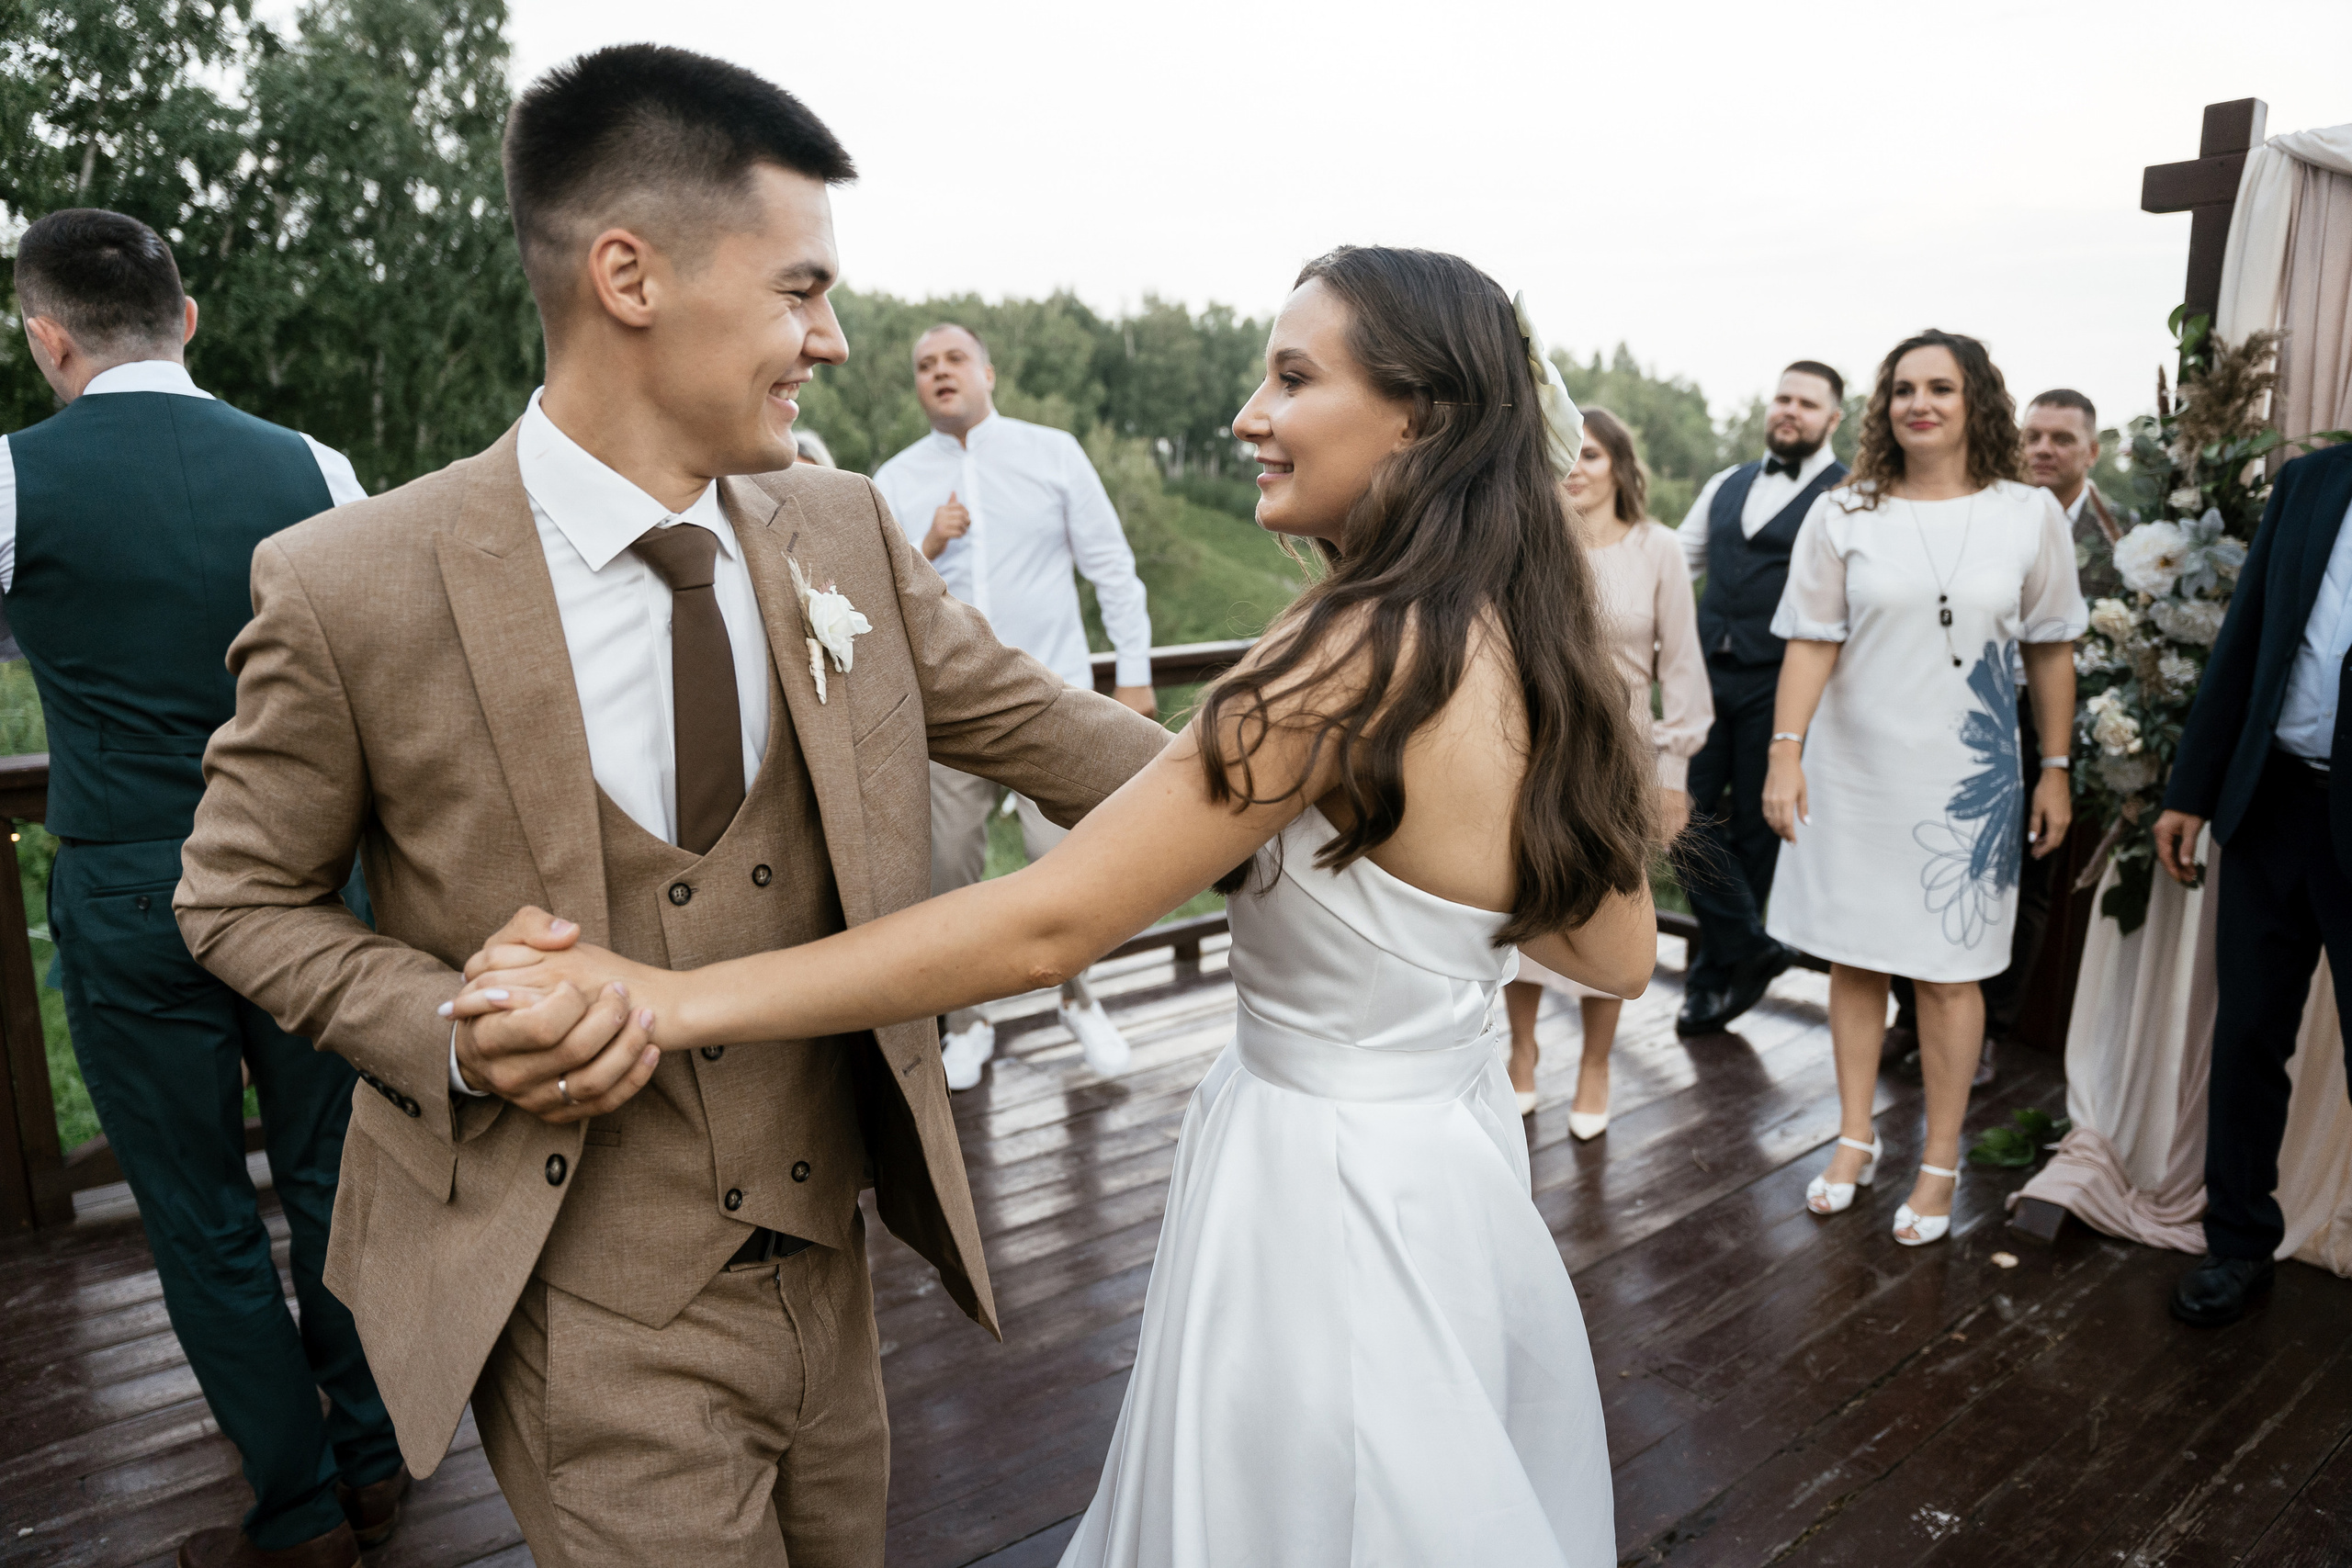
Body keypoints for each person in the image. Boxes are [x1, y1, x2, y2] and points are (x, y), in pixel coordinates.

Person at [452, 246, 1655, 1567]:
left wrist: (672, 996)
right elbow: (1619, 952)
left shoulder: (1340, 661)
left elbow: (1044, 926)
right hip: (1454, 1170)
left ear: (1419, 417)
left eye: (1291, 379)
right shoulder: (1532, 647)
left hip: (1317, 1192)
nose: (1247, 416)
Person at [173, 47, 1169, 1567]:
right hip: (587, 1310)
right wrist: (452, 1027)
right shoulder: (350, 581)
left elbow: (1053, 731)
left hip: (834, 1270)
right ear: (629, 276)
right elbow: (236, 898)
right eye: (800, 289)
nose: (833, 339)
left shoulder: (843, 526)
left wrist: (1348, 791)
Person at [3, 209, 401, 1568]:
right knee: (333, 1177)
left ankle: (299, 1511)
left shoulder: (11, 479)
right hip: (302, 876)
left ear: (46, 338)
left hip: (131, 886)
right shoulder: (317, 465)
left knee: (199, 1213)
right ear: (187, 318)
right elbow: (376, 670)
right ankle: (375, 1462)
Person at [1761, 329, 2086, 1247]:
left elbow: (2051, 648)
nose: (1919, 403)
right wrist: (1784, 753)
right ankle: (1854, 1138)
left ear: (1975, 399)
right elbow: (1811, 640)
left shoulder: (2029, 515)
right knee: (1854, 958)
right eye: (1903, 388)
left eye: (1940, 387)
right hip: (1852, 772)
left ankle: (1940, 1159)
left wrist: (2055, 768)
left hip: (1967, 783)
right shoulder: (1844, 512)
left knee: (1949, 974)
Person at [874, 322, 1158, 1087]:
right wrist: (928, 542)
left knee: (1065, 863)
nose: (940, 371)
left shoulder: (1053, 453)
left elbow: (1113, 568)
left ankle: (1078, 997)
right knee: (948, 867)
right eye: (925, 364)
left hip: (1052, 698)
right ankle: (967, 1021)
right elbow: (876, 595)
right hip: (945, 713)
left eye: (954, 358)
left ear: (988, 373)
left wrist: (1134, 674)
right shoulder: (893, 480)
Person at [2152, 436, 2352, 1326]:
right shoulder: (2309, 481)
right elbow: (2244, 641)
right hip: (2271, 803)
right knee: (2246, 1036)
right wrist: (2190, 790)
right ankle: (2237, 1242)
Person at [1887, 387, 2118, 1072]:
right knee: (1928, 855)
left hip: (2052, 720)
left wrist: (2060, 760)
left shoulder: (2124, 540)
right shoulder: (1988, 514)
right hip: (1963, 710)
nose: (2044, 449)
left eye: (2062, 439)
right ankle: (1911, 1016)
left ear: (2091, 452)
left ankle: (1990, 1029)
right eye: (2033, 436)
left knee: (2023, 882)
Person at [1506, 406, 1711, 1134]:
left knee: (1607, 907)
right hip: (1529, 749)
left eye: (1591, 454)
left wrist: (1672, 778)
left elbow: (1682, 669)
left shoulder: (1659, 549)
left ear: (1621, 467)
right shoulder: (1527, 541)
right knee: (1521, 900)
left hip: (1619, 758)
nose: (1575, 468)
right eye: (1566, 453)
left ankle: (1596, 1065)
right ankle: (1521, 1050)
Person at [1675, 363, 1849, 1036]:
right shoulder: (1727, 482)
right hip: (1702, 676)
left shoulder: (1850, 496)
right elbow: (1676, 564)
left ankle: (1708, 982)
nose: (1791, 410)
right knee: (1674, 812)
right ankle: (1749, 947)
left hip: (1782, 686)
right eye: (1783, 397)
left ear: (1833, 419)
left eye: (1807, 403)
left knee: (1754, 831)